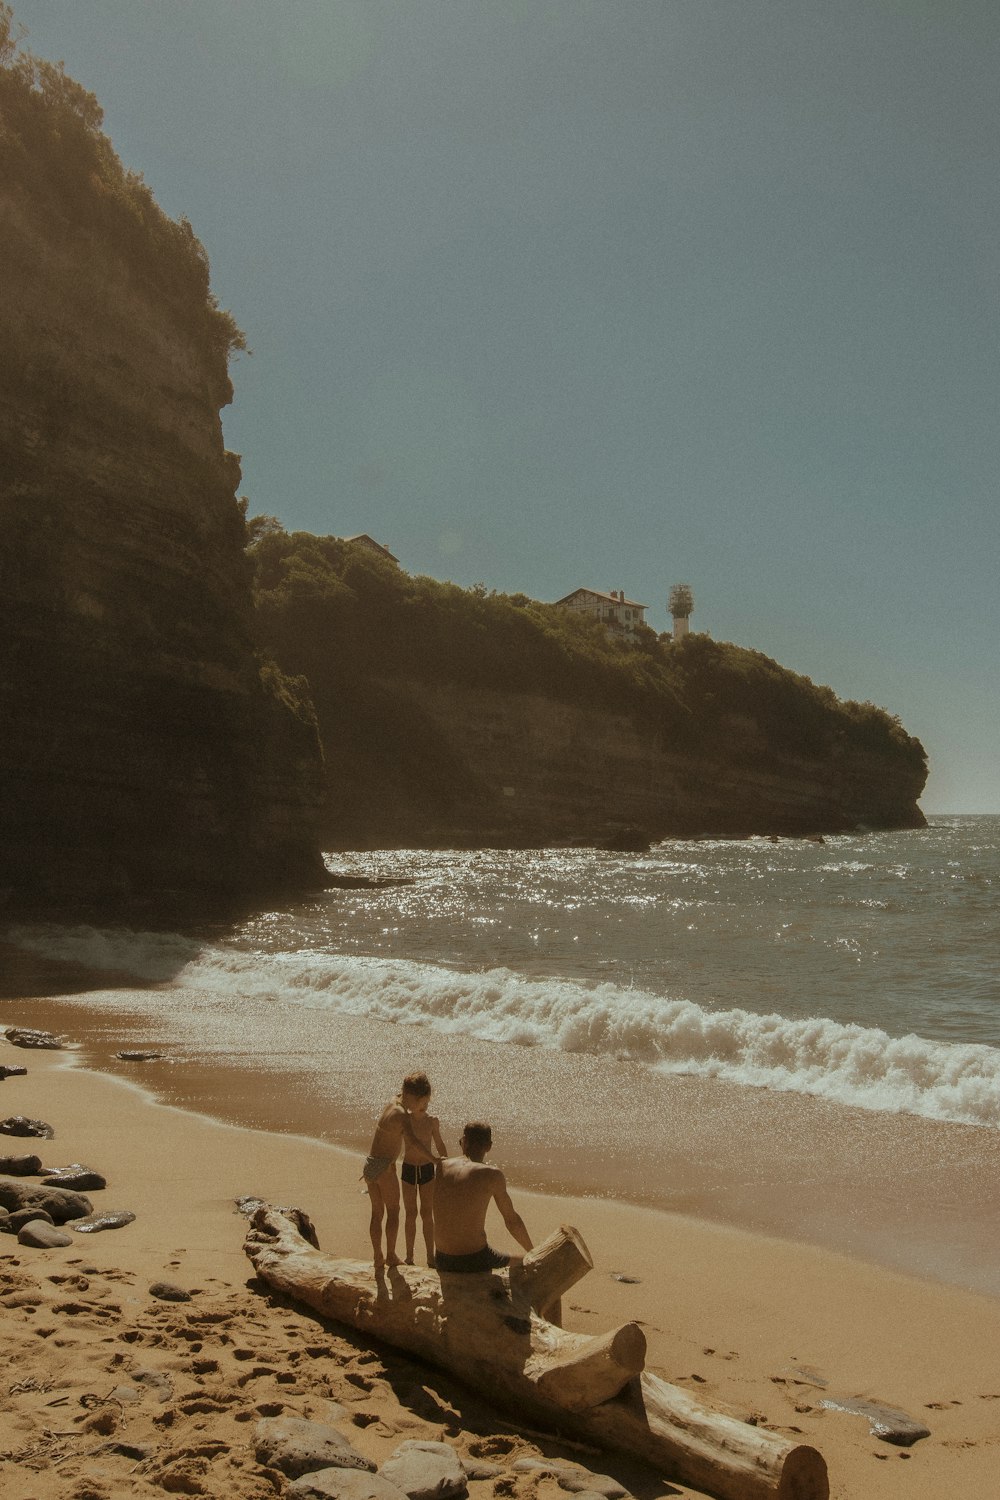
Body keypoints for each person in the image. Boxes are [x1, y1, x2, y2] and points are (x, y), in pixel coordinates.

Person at [433, 1120, 533, 1273]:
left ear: (464, 1142)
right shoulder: (492, 1174)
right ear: (489, 1146)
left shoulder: (442, 1166)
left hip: (441, 1258)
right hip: (474, 1259)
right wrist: (533, 1252)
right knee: (529, 1263)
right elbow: (512, 1221)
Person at [362, 1073, 439, 1270]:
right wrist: (434, 1160)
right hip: (385, 1169)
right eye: (422, 1103)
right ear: (414, 1098)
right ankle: (390, 1255)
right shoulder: (402, 1116)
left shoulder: (392, 1103)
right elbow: (413, 1142)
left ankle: (377, 1256)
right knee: (394, 1211)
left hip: (370, 1165)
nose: (421, 1108)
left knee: (377, 1213)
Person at [401, 1083, 448, 1267]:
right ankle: (409, 1256)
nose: (425, 1105)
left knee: (427, 1213)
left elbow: (439, 1144)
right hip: (409, 1168)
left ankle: (430, 1256)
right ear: (414, 1100)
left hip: (428, 1169)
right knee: (410, 1213)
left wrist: (445, 1163)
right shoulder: (405, 1120)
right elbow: (402, 1144)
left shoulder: (432, 1121)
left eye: (427, 1101)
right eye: (421, 1101)